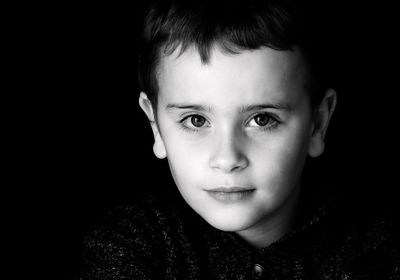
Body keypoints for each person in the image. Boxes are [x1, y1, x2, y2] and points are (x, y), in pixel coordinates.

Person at [79, 0, 399, 279]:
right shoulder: (131, 244)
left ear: (317, 123)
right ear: (156, 127)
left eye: (262, 119)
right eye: (196, 120)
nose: (228, 158)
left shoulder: (375, 249)